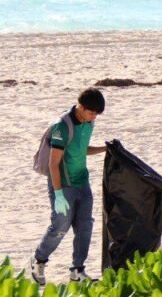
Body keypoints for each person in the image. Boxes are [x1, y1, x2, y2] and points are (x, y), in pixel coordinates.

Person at [27, 88, 109, 285]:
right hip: (62, 185)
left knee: (85, 226)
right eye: (91, 112)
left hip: (82, 182)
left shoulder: (89, 123)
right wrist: (58, 194)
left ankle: (77, 271)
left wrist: (105, 149)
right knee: (60, 227)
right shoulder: (61, 127)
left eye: (97, 114)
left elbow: (81, 150)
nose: (94, 116)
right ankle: (38, 260)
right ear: (80, 106)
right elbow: (53, 164)